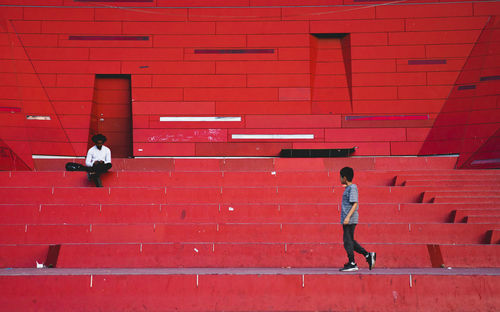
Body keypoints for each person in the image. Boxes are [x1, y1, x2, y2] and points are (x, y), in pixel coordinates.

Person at [339, 166, 376, 272]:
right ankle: (368, 255)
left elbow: (355, 204)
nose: (340, 179)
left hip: (350, 219)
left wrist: (347, 217)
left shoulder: (352, 188)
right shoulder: (348, 188)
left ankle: (352, 263)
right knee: (350, 241)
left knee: (347, 241)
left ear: (345, 178)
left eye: (341, 177)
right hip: (348, 218)